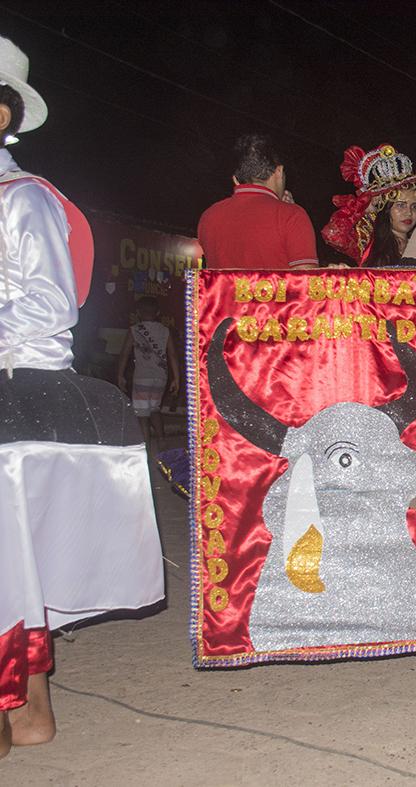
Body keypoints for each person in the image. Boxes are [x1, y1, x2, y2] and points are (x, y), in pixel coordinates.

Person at [0, 36, 164, 757]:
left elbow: (46, 311)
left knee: (9, 569)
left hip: (13, 399)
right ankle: (26, 711)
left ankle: (19, 711)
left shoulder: (23, 199)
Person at [198, 133, 319, 270]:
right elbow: (308, 283)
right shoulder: (293, 216)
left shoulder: (208, 217)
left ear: (235, 180)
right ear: (279, 172)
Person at [321, 143, 416, 266]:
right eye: (400, 205)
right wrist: (362, 207)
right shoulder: (369, 242)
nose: (409, 213)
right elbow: (332, 235)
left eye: (415, 206)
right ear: (386, 208)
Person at [116, 297, 179, 445]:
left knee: (142, 416)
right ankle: (162, 442)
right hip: (160, 377)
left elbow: (124, 353)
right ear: (157, 313)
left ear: (138, 313)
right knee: (155, 410)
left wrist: (120, 375)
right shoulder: (165, 331)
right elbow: (173, 355)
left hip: (142, 378)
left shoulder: (135, 330)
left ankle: (146, 448)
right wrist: (177, 378)